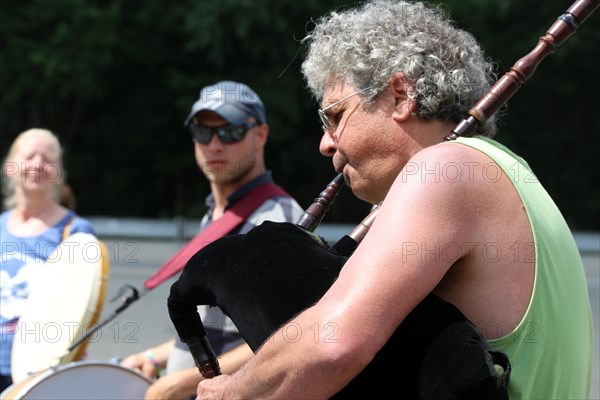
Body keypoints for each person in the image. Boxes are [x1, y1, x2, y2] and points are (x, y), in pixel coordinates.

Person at [195, 1, 594, 399]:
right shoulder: (509, 172)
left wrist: (230, 393)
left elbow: (332, 344)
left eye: (335, 116)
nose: (324, 142)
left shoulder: (443, 170)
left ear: (401, 95)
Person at [121, 80, 304, 399]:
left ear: (260, 135)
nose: (215, 145)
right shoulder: (215, 216)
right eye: (203, 132)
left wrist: (180, 383)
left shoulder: (276, 220)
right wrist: (153, 357)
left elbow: (291, 337)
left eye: (230, 131)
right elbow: (215, 328)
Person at [0, 128, 96, 392]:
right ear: (10, 167)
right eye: (30, 156)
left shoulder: (76, 232)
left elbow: (81, 308)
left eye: (47, 158)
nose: (38, 165)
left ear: (59, 172)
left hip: (40, 371)